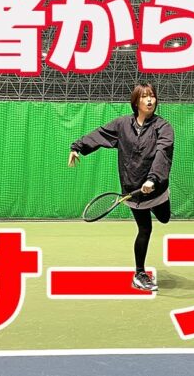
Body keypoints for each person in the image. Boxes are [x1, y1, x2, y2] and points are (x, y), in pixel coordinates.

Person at [68, 83, 174, 292]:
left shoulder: (163, 127)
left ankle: (159, 203)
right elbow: (100, 134)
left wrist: (153, 179)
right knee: (145, 229)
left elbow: (164, 152)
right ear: (136, 101)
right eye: (144, 96)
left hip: (157, 189)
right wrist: (77, 147)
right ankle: (139, 274)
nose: (149, 100)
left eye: (152, 96)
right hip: (132, 189)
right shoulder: (122, 124)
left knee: (164, 218)